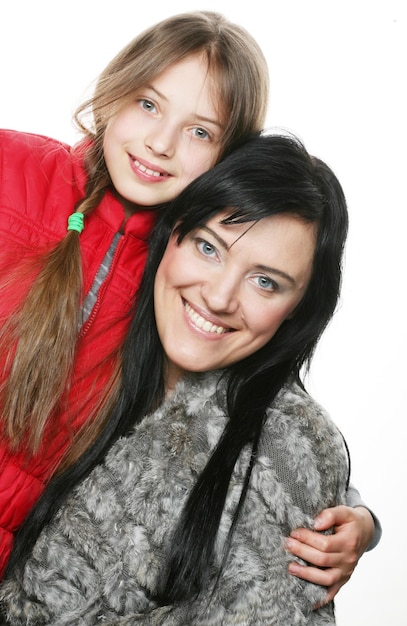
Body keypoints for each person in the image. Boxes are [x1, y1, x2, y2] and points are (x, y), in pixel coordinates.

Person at [0, 10, 379, 596]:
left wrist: (359, 518)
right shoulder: (14, 170)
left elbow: (262, 393)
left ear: (228, 160)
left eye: (200, 131)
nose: (160, 142)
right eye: (149, 104)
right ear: (114, 90)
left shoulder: (181, 263)